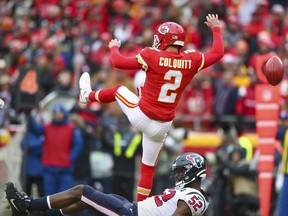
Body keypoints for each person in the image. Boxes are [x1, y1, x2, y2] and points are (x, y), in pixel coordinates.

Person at [79, 14, 224, 201]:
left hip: (143, 115)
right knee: (147, 168)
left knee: (118, 90)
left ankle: (87, 95)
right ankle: (139, 208)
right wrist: (216, 28)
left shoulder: (152, 55)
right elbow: (218, 53)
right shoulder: (192, 60)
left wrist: (114, 47)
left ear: (166, 39)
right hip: (163, 127)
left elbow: (118, 62)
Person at [5, 152, 209, 216]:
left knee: (82, 191)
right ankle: (38, 213)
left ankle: (29, 205)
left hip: (131, 214)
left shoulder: (195, 197)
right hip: (131, 207)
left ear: (194, 172)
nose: (178, 175)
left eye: (182, 171)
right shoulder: (186, 193)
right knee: (87, 201)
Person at [30, 103, 83, 196]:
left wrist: (70, 158)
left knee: (65, 196)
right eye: (55, 112)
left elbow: (78, 145)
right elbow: (35, 129)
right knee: (49, 195)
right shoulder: (47, 127)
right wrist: (29, 115)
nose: (57, 115)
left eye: (59, 112)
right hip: (49, 167)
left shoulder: (71, 128)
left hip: (64, 168)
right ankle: (51, 211)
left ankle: (61, 211)